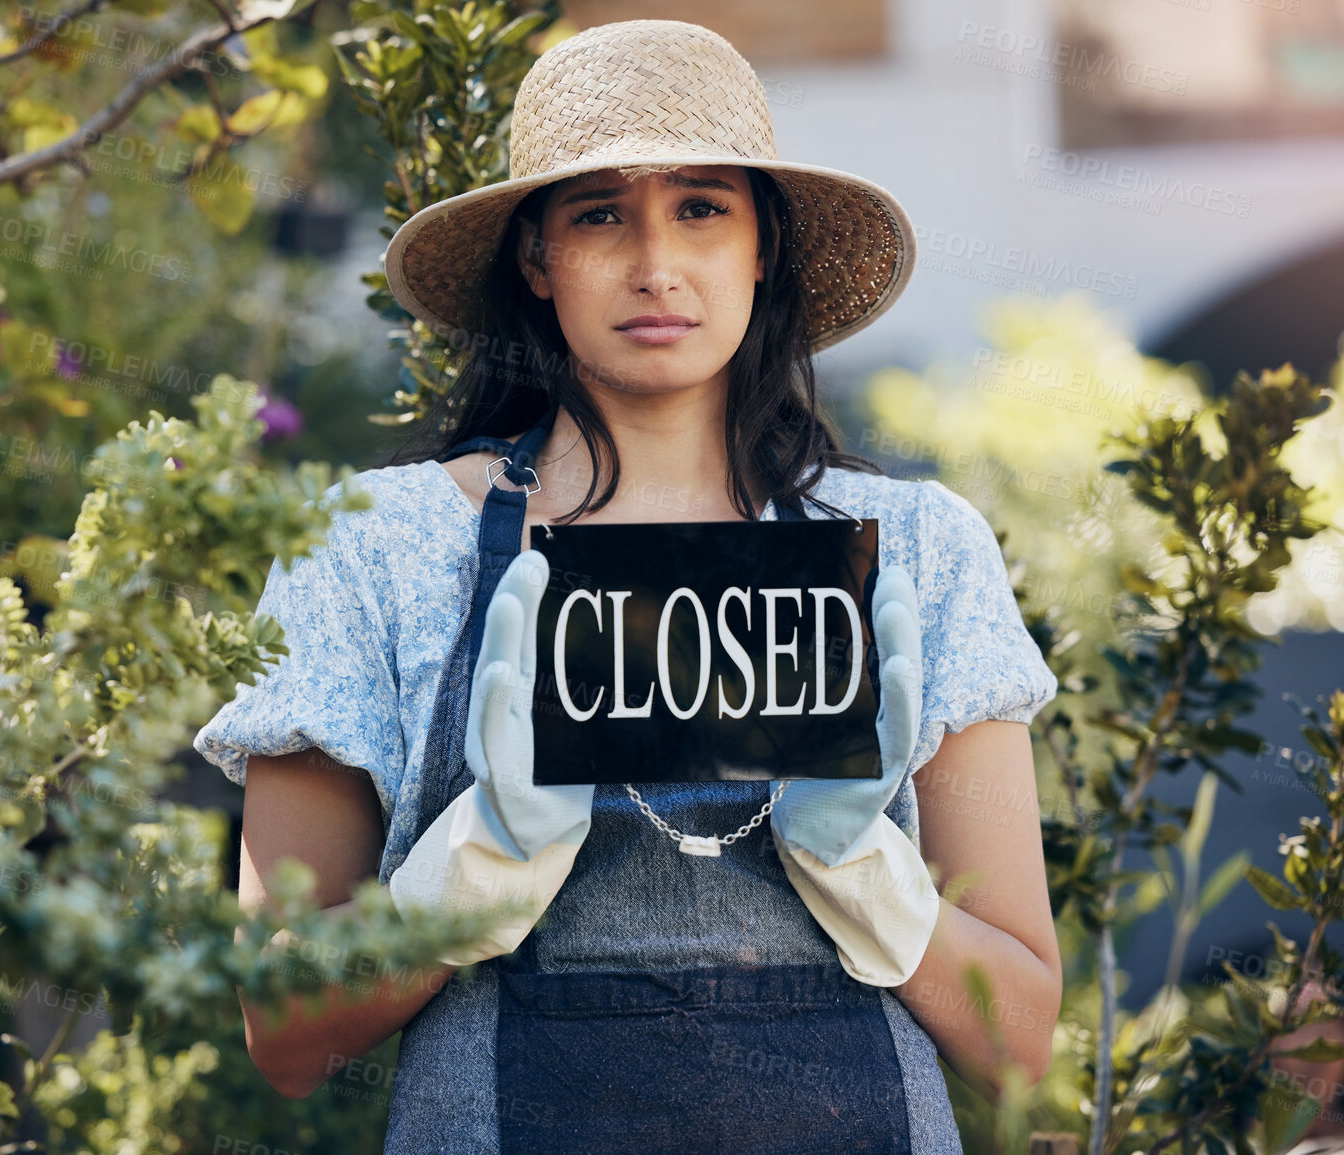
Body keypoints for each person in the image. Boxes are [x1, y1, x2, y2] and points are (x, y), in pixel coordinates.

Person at [194, 18, 1063, 1153]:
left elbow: (1024, 1037)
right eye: (601, 213)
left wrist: (871, 876)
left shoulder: (919, 550)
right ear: (536, 258)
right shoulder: (372, 547)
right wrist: (465, 879)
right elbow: (286, 1031)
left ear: (763, 247)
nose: (656, 264)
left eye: (703, 207)